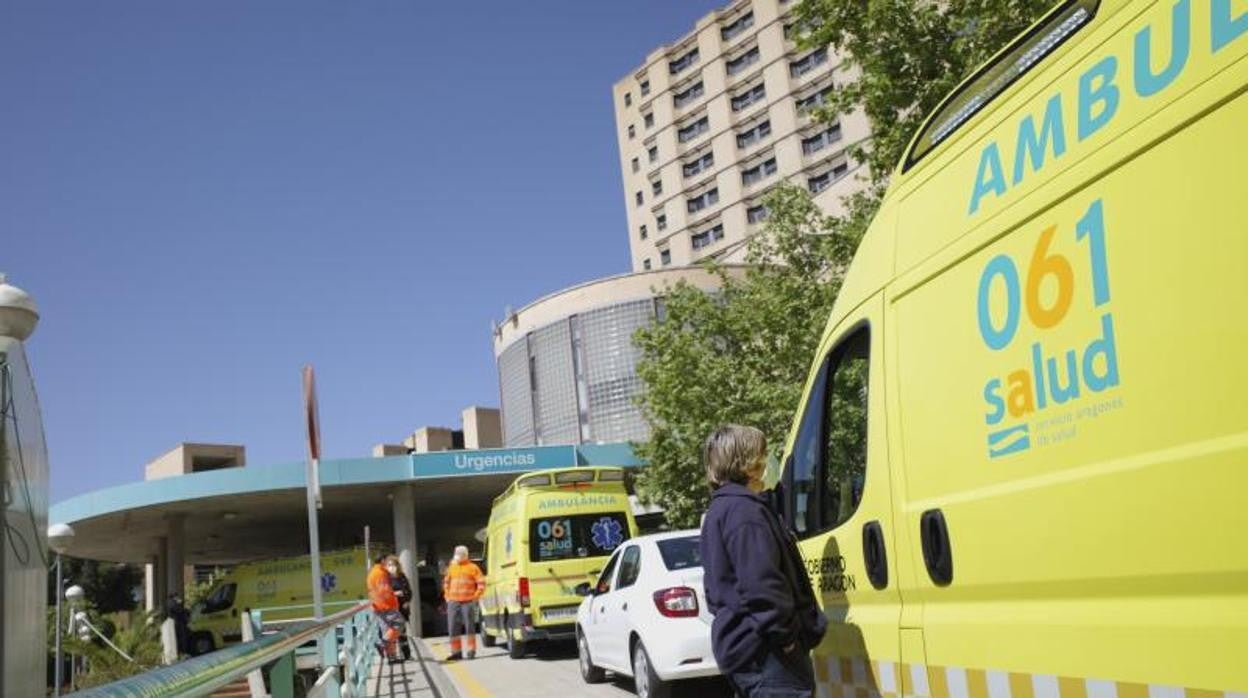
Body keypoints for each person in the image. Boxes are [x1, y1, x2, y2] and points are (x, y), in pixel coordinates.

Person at [699, 425, 828, 698]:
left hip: (747, 649)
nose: (767, 461)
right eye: (762, 454)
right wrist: (787, 639)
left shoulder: (720, 510)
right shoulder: (744, 511)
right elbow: (762, 584)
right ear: (747, 463)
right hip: (767, 653)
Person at [442, 545, 485, 661]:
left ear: (465, 555)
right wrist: (447, 597)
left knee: (469, 626)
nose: (457, 557)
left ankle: (471, 650)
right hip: (453, 601)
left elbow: (481, 583)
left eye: (460, 554)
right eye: (456, 554)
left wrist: (475, 597)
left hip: (468, 601)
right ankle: (456, 652)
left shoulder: (473, 567)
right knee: (452, 627)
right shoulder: (452, 568)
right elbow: (446, 583)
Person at [367, 554, 406, 663]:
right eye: (386, 562)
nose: (387, 564)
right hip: (386, 605)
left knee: (387, 631)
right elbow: (384, 590)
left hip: (377, 605)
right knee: (399, 623)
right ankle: (382, 643)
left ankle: (391, 657)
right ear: (382, 561)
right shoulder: (380, 573)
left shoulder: (373, 573)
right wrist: (395, 594)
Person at [389, 557, 414, 661]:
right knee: (394, 632)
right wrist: (395, 594)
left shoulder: (402, 576)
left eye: (393, 564)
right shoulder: (386, 578)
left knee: (403, 632)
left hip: (403, 608)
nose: (391, 567)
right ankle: (392, 655)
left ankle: (406, 654)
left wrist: (407, 601)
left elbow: (409, 591)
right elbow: (384, 593)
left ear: (397, 565)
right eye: (389, 565)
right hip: (392, 609)